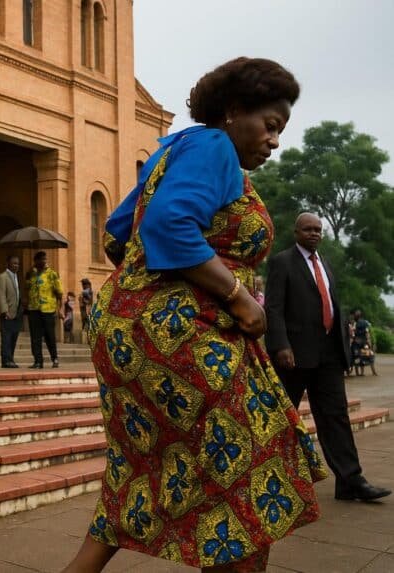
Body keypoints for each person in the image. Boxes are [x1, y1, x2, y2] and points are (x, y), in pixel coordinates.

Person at [63, 58, 325, 573]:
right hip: (179, 333)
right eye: (270, 125)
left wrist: (144, 296)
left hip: (127, 329)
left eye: (280, 131)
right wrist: (236, 295)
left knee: (143, 468)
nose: (275, 141)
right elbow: (168, 225)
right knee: (251, 463)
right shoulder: (214, 146)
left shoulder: (175, 149)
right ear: (233, 110)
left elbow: (117, 233)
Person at [265, 213, 390, 504]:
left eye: (318, 230)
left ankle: (350, 481)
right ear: (296, 232)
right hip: (294, 355)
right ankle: (270, 479)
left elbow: (331, 304)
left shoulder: (325, 263)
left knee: (336, 417)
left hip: (329, 354)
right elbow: (273, 307)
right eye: (308, 229)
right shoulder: (283, 262)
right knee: (283, 418)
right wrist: (281, 345)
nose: (314, 234)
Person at [25, 251, 64, 369]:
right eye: (41, 259)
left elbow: (59, 293)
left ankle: (54, 358)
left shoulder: (52, 274)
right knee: (35, 337)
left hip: (48, 309)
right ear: (35, 261)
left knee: (49, 335)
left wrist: (60, 308)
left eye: (45, 259)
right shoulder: (31, 274)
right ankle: (38, 361)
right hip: (33, 308)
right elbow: (26, 288)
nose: (44, 261)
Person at [0, 255, 22, 368]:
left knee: (13, 338)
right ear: (8, 264)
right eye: (14, 263)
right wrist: (4, 310)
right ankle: (6, 360)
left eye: (17, 263)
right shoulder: (3, 277)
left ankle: (10, 358)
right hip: (7, 313)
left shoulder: (16, 277)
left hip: (16, 313)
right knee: (6, 338)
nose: (16, 266)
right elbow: (1, 295)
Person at [351, 310, 377, 376]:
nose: (354, 316)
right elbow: (367, 333)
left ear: (356, 316)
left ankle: (358, 373)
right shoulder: (365, 323)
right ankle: (362, 373)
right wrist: (369, 342)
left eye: (355, 315)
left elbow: (353, 333)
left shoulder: (354, 323)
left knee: (357, 356)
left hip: (357, 342)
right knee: (363, 356)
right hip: (363, 342)